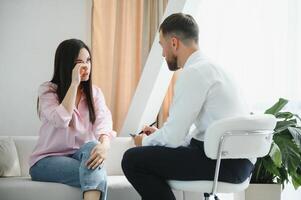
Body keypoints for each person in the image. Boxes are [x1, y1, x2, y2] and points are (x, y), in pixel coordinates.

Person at [122, 13, 254, 200]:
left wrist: (142, 141)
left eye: (162, 45)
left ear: (174, 43)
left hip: (222, 165)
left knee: (133, 159)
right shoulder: (215, 68)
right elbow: (193, 132)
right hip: (238, 164)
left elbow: (174, 138)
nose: (162, 54)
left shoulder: (194, 73)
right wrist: (161, 135)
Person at [29, 39, 116, 200]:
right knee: (95, 171)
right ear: (67, 65)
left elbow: (104, 122)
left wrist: (104, 145)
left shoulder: (94, 93)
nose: (86, 66)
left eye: (88, 61)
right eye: (79, 62)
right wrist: (74, 83)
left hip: (81, 156)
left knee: (92, 148)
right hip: (46, 162)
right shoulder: (48, 91)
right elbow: (61, 120)